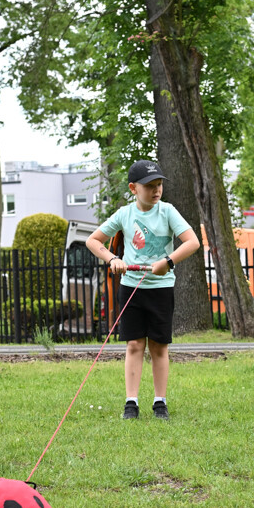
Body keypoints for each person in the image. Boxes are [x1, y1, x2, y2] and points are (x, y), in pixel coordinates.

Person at [86, 160, 201, 420]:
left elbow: (193, 242)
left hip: (161, 289)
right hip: (131, 289)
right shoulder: (124, 214)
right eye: (149, 186)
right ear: (133, 188)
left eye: (159, 185)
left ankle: (160, 403)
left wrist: (168, 262)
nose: (156, 190)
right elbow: (93, 240)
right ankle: (131, 403)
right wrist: (113, 259)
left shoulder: (168, 211)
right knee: (135, 345)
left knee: (159, 346)